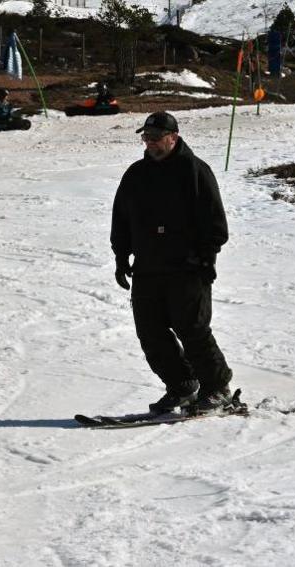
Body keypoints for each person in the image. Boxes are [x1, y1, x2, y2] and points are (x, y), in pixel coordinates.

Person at [110, 111, 234, 415]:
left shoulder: (195, 171)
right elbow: (122, 217)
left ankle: (218, 389)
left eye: (155, 138)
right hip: (148, 267)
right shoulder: (136, 174)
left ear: (173, 137)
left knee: (192, 329)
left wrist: (206, 257)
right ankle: (182, 385)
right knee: (150, 331)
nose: (150, 144)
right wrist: (120, 254)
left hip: (187, 267)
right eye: (146, 138)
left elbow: (215, 223)